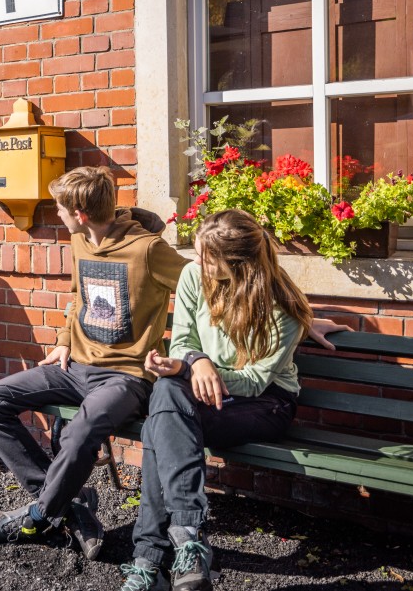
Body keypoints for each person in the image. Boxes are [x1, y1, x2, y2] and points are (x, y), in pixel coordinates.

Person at [0, 166, 191, 560]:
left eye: (59, 207)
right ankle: (69, 506)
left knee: (77, 434)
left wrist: (297, 316)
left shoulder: (148, 250)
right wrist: (64, 340)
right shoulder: (79, 239)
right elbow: (79, 299)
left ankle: (38, 515)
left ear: (80, 212)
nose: (57, 213)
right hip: (74, 368)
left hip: (126, 377)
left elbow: (207, 288)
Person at [118, 209, 311, 591]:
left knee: (164, 421)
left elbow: (255, 382)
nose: (199, 262)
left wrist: (195, 371)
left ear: (240, 264)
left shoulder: (283, 310)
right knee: (167, 395)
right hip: (202, 391)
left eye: (209, 257)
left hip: (265, 404)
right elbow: (184, 339)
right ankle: (188, 536)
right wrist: (193, 362)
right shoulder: (194, 276)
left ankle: (148, 562)